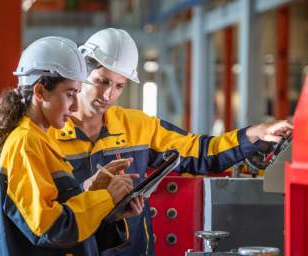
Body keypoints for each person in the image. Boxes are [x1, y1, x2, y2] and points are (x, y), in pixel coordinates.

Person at [48, 29, 293, 256]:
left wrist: (253, 134)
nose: (108, 95)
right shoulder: (47, 136)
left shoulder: (139, 127)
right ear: (81, 73)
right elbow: (38, 215)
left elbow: (201, 152)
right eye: (102, 81)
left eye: (119, 85)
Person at [0, 36, 145, 256]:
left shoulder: (43, 140)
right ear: (40, 92)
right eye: (70, 94)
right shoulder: (25, 143)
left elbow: (62, 211)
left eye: (77, 94)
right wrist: (105, 197)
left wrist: (108, 209)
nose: (74, 106)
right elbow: (51, 229)